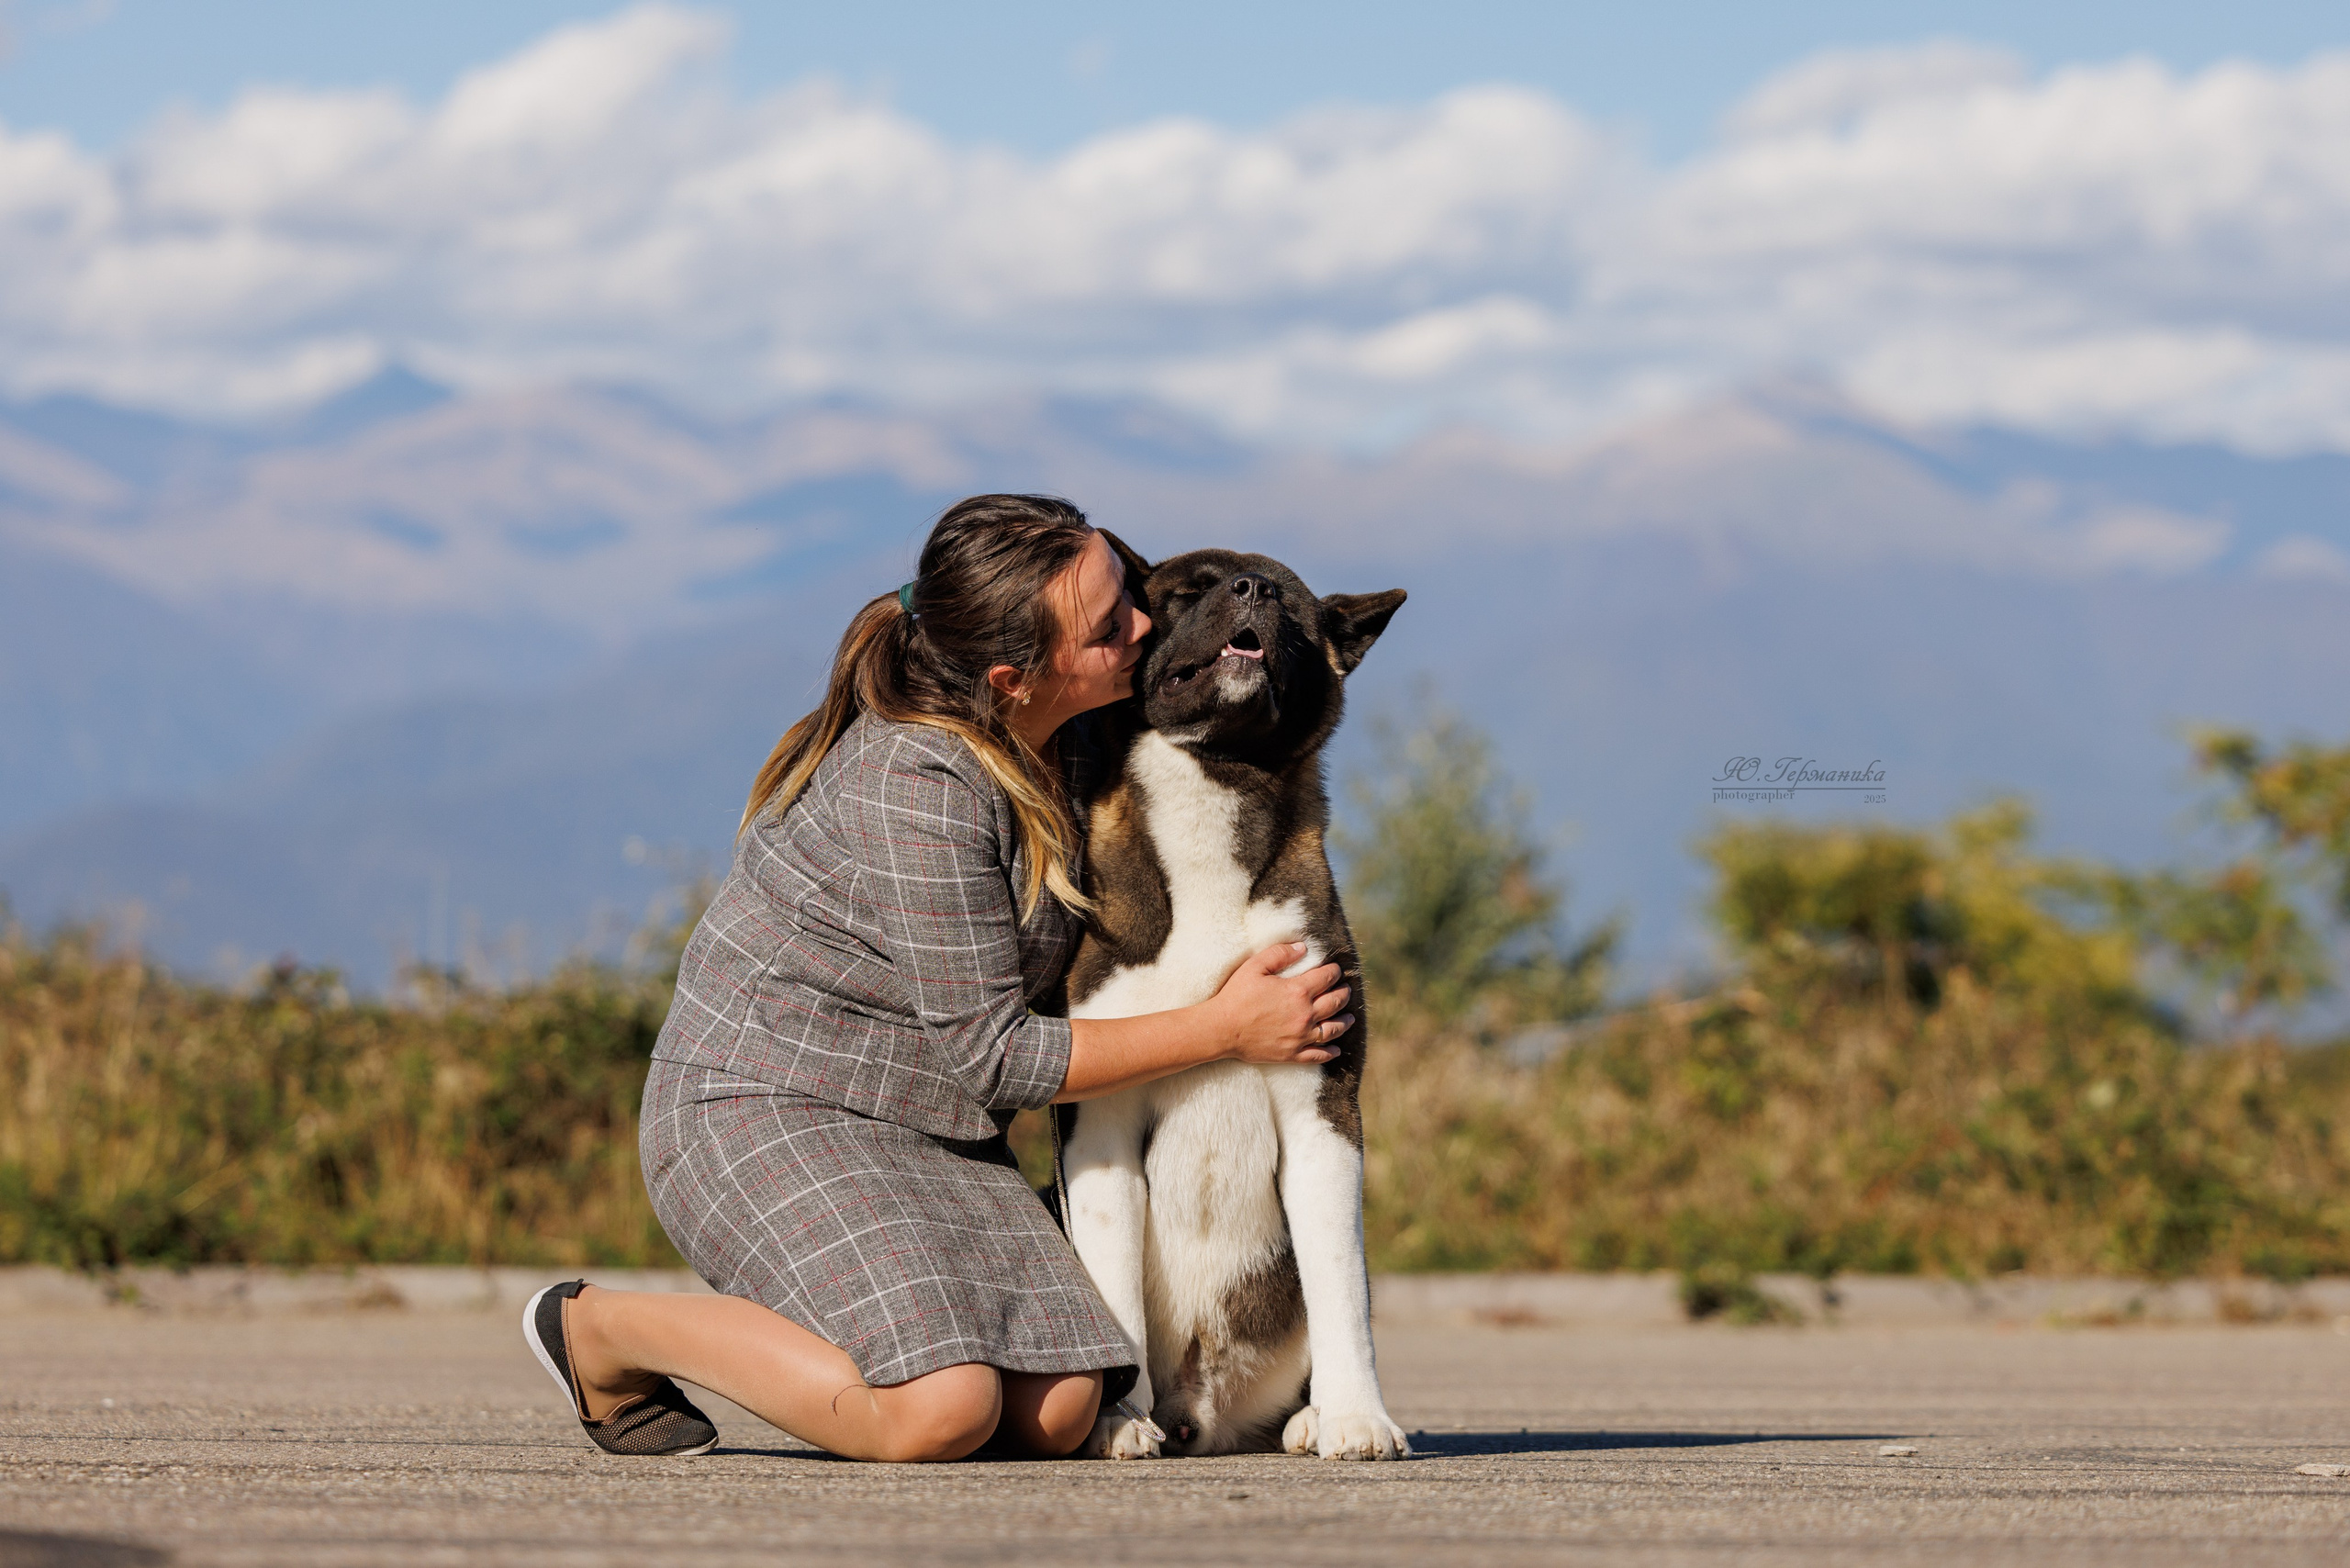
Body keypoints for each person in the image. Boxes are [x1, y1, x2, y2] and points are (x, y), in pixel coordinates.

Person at [521, 494, 1355, 1462]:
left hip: (932, 1130)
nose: (1143, 625)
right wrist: (1230, 1028)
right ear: (1014, 676)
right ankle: (599, 1333)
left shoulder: (1079, 727)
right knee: (941, 1412)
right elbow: (995, 1058)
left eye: (1128, 592)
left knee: (1061, 1412)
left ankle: (876, 1321)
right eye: (1108, 627)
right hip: (763, 1108)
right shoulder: (916, 785)